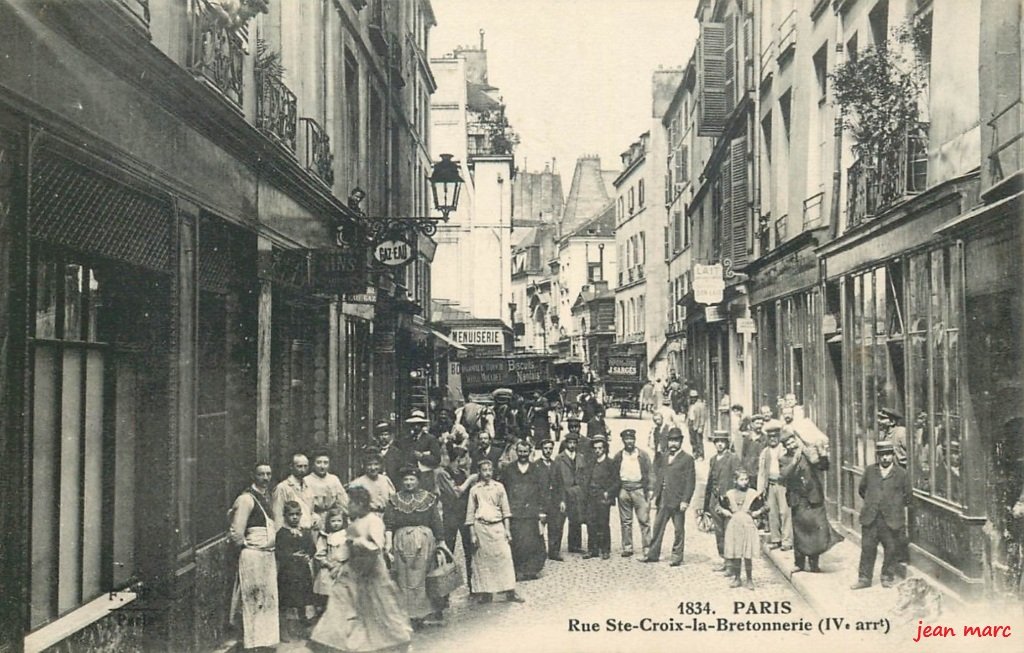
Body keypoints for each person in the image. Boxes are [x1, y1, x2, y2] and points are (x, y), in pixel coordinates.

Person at [309, 486, 413, 653]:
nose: (348, 506)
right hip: (353, 570)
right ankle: (333, 641)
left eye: (350, 502)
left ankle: (386, 642)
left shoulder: (374, 521)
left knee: (378, 609)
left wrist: (359, 542)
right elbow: (346, 547)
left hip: (371, 570)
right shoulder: (354, 522)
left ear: (359, 503)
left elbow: (376, 547)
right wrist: (338, 562)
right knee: (341, 603)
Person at [384, 464, 445, 628]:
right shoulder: (394, 500)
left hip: (425, 541)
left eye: (412, 479)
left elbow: (436, 522)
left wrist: (441, 543)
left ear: (418, 480)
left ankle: (424, 612)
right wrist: (388, 545)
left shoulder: (428, 498)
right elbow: (388, 524)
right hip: (402, 542)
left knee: (424, 576)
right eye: (406, 480)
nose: (409, 483)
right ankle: (408, 614)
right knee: (404, 578)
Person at [228, 463, 279, 650]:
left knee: (266, 600)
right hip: (253, 556)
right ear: (253, 475)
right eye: (261, 474)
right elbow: (237, 532)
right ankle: (252, 643)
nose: (265, 478)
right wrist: (249, 547)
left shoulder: (266, 497)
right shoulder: (246, 499)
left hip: (267, 555)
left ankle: (264, 641)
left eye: (268, 474)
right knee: (252, 598)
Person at [780, 431, 843, 573]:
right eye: (788, 444)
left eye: (792, 442)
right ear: (785, 446)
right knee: (800, 530)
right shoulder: (784, 459)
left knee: (816, 529)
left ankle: (814, 562)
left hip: (813, 497)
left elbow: (823, 466)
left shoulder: (808, 454)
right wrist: (794, 461)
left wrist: (823, 453)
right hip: (798, 499)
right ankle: (799, 563)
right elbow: (784, 475)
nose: (792, 445)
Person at [851, 440, 911, 589]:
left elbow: (908, 496)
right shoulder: (870, 471)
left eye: (888, 455)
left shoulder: (901, 474)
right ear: (878, 456)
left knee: (891, 548)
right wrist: (873, 502)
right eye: (882, 455)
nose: (885, 458)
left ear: (893, 455)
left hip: (891, 519)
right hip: (871, 517)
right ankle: (864, 578)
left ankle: (887, 576)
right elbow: (862, 490)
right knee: (867, 548)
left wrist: (893, 506)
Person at [465, 459, 525, 603]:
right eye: (484, 470)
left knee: (505, 558)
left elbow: (506, 511)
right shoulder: (475, 490)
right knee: (483, 561)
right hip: (481, 528)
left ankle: (510, 591)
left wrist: (507, 530)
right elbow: (470, 513)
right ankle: (486, 593)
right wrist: (472, 534)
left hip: (497, 527)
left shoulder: (499, 487)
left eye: (489, 470)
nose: (487, 473)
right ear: (479, 472)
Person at [641, 428, 696, 566]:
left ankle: (677, 557)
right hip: (663, 499)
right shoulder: (664, 457)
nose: (673, 444)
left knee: (678, 530)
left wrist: (685, 500)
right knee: (658, 527)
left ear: (681, 442)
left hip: (678, 501)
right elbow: (660, 477)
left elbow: (690, 481)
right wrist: (655, 495)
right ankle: (653, 554)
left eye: (676, 441)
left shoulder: (687, 459)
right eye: (671, 440)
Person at [499, 440, 549, 580]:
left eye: (525, 452)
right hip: (515, 512)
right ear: (516, 452)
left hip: (531, 512)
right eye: (520, 452)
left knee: (532, 542)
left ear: (530, 452)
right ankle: (516, 570)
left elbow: (543, 491)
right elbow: (503, 490)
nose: (522, 455)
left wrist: (542, 511)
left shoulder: (536, 469)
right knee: (516, 543)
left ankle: (531, 570)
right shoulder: (509, 470)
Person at [435, 446, 477, 586]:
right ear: (458, 459)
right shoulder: (443, 474)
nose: (468, 460)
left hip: (465, 515)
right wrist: (470, 480)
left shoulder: (462, 472)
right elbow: (456, 493)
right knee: (448, 551)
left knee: (470, 550)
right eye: (465, 457)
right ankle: (446, 590)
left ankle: (473, 585)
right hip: (451, 516)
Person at [718, 469, 766, 590]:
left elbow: (765, 507)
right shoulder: (729, 494)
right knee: (736, 553)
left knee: (747, 553)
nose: (744, 482)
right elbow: (719, 506)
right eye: (741, 479)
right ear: (735, 480)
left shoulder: (753, 494)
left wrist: (757, 512)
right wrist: (725, 512)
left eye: (746, 479)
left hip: (748, 525)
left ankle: (749, 579)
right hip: (734, 526)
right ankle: (737, 578)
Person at [275, 500, 316, 641]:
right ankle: (283, 629)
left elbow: (312, 548)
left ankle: (304, 625)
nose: (294, 517)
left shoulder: (304, 532)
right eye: (291, 514)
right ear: (285, 516)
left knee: (303, 599)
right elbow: (279, 553)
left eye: (297, 514)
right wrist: (292, 556)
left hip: (302, 571)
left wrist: (308, 556)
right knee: (286, 601)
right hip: (288, 573)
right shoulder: (281, 533)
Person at [613, 428, 653, 558]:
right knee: (626, 521)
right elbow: (613, 474)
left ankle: (647, 547)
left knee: (644, 520)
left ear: (634, 440)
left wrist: (650, 489)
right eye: (626, 439)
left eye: (631, 439)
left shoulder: (643, 455)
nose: (629, 441)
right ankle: (627, 547)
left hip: (639, 489)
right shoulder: (619, 456)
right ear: (623, 441)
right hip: (624, 489)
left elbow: (650, 473)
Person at [704, 430, 741, 568]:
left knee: (729, 532)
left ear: (727, 443)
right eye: (717, 441)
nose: (720, 444)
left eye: (722, 441)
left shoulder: (733, 458)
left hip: (728, 502)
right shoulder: (713, 459)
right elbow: (709, 481)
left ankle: (732, 564)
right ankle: (725, 560)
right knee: (719, 532)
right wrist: (706, 505)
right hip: (715, 500)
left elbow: (739, 479)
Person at [552, 428, 589, 555]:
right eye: (570, 443)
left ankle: (574, 545)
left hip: (577, 492)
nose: (572, 445)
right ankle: (555, 549)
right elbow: (556, 479)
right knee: (559, 521)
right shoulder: (559, 458)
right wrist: (560, 497)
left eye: (574, 443)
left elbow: (583, 475)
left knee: (576, 520)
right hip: (564, 491)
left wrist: (582, 489)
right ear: (566, 443)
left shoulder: (580, 457)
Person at [757, 423, 792, 551]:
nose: (772, 439)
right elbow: (761, 472)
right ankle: (776, 539)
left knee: (785, 512)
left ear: (779, 437)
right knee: (772, 513)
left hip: (783, 484)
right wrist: (760, 489)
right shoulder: (765, 452)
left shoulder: (784, 449)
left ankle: (787, 541)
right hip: (770, 485)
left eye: (775, 436)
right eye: (770, 437)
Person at [584, 435, 618, 560]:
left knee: (603, 523)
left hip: (603, 496)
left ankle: (605, 549)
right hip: (591, 496)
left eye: (600, 448)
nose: (597, 451)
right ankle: (592, 549)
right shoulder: (591, 462)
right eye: (595, 448)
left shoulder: (610, 463)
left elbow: (616, 481)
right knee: (590, 522)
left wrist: (608, 492)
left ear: (604, 449)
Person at [535, 438, 565, 561]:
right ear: (542, 449)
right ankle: (540, 552)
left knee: (556, 527)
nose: (548, 451)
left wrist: (562, 500)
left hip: (554, 501)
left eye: (550, 449)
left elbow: (561, 484)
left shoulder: (555, 465)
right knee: (539, 529)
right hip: (542, 501)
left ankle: (554, 552)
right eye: (546, 448)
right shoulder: (536, 465)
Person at [313, 507, 347, 613]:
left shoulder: (347, 535)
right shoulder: (325, 536)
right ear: (328, 522)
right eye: (333, 521)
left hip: (343, 566)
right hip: (329, 566)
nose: (336, 524)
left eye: (339, 521)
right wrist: (327, 563)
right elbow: (319, 553)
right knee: (327, 589)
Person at [306, 449, 349, 529]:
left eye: (325, 463)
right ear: (313, 464)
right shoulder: (307, 481)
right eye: (318, 462)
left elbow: (343, 502)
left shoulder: (334, 479)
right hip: (315, 520)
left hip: (332, 520)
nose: (322, 466)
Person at [273, 453, 316, 530]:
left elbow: (311, 511)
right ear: (291, 467)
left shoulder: (308, 487)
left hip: (307, 533)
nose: (303, 470)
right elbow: (278, 516)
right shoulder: (283, 487)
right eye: (299, 466)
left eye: (305, 466)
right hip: (291, 534)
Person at [348, 448, 396, 514]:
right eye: (369, 465)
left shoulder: (385, 480)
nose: (373, 468)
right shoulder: (357, 483)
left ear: (380, 465)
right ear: (364, 466)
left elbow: (393, 501)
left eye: (376, 464)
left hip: (386, 518)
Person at [686, 389, 707, 460]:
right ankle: (695, 453)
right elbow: (689, 414)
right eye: (691, 397)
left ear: (696, 397)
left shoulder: (700, 405)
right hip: (691, 423)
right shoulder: (691, 405)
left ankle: (700, 455)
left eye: (694, 397)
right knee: (692, 440)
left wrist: (701, 427)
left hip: (697, 424)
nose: (692, 398)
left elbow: (703, 417)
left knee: (698, 440)